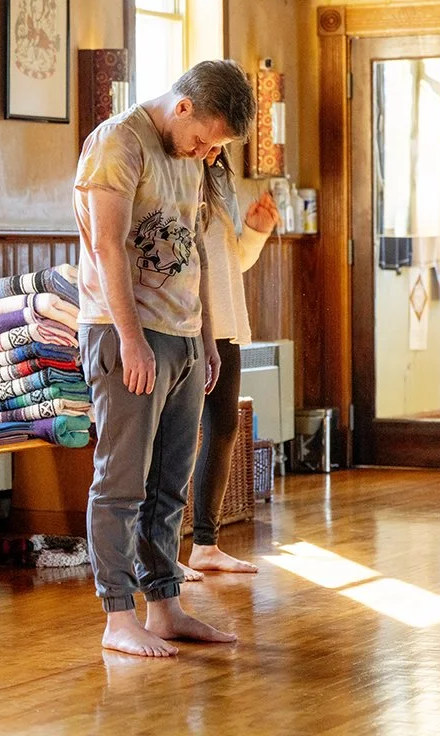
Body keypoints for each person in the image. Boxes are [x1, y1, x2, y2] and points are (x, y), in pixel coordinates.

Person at [74, 59, 257, 657]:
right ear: (182, 107)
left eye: (216, 146)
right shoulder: (118, 143)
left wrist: (205, 334)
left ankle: (165, 608)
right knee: (122, 482)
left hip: (183, 336)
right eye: (205, 139)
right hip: (124, 332)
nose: (207, 153)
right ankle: (118, 617)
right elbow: (107, 246)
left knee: (168, 486)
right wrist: (131, 340)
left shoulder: (191, 156)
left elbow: (195, 246)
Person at [180, 146, 280, 581]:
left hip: (223, 322)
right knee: (174, 438)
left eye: (225, 140)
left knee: (223, 429)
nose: (217, 147)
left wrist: (255, 232)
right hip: (181, 324)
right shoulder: (169, 172)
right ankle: (160, 552)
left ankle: (205, 545)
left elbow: (230, 261)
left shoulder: (220, 180)